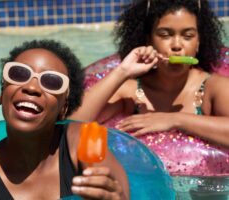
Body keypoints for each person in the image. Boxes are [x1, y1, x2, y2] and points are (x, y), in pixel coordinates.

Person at [0, 40, 129, 199]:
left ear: (64, 107)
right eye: (19, 74)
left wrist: (114, 196)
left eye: (52, 81)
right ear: (1, 94)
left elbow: (114, 188)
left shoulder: (87, 136)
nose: (31, 87)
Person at [70, 0, 229, 187]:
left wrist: (174, 119)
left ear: (199, 42)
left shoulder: (214, 87)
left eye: (188, 36)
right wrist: (122, 71)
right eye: (165, 35)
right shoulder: (131, 92)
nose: (177, 45)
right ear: (148, 39)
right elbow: (71, 124)